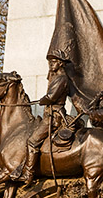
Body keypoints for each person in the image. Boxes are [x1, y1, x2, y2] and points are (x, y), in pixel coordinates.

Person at [15, 52, 70, 185]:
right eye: (50, 61)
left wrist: (43, 100)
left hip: (53, 117)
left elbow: (51, 97)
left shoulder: (62, 78)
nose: (51, 64)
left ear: (61, 63)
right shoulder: (56, 77)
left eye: (54, 61)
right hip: (49, 114)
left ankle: (29, 174)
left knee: (33, 141)